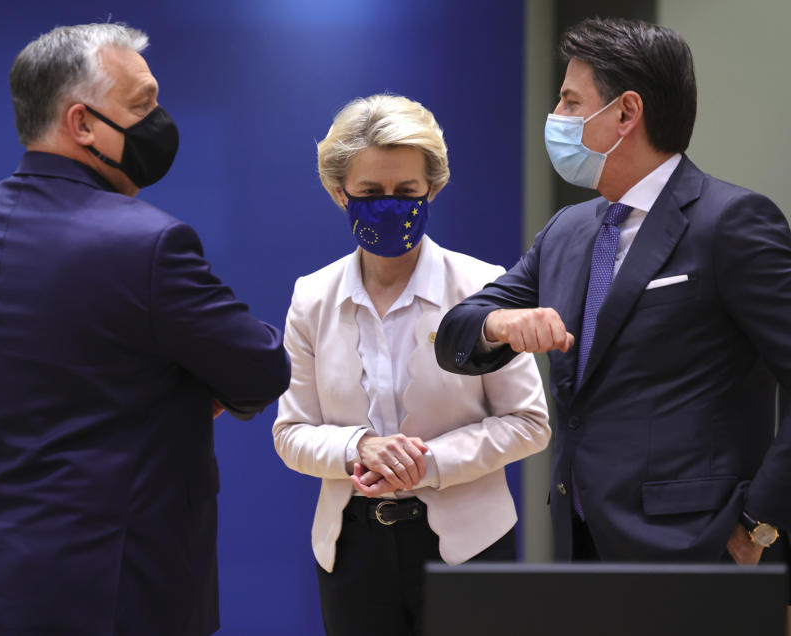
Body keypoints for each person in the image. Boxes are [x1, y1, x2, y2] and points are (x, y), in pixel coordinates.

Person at [0, 23, 290, 636]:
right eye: (142, 106)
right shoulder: (150, 242)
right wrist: (199, 387)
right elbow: (261, 367)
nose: (160, 122)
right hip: (119, 592)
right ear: (82, 123)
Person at [435, 17, 791, 578]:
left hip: (699, 548)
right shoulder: (567, 230)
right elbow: (458, 329)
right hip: (580, 542)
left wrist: (762, 523)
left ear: (626, 113)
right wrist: (500, 325)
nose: (556, 117)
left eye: (571, 101)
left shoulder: (732, 222)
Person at [272, 94, 550, 636]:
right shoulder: (312, 297)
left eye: (407, 192)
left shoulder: (481, 288)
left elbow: (529, 423)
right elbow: (291, 433)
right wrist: (359, 447)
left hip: (468, 547)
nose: (390, 205)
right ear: (339, 194)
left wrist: (428, 462)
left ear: (433, 189)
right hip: (352, 551)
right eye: (370, 193)